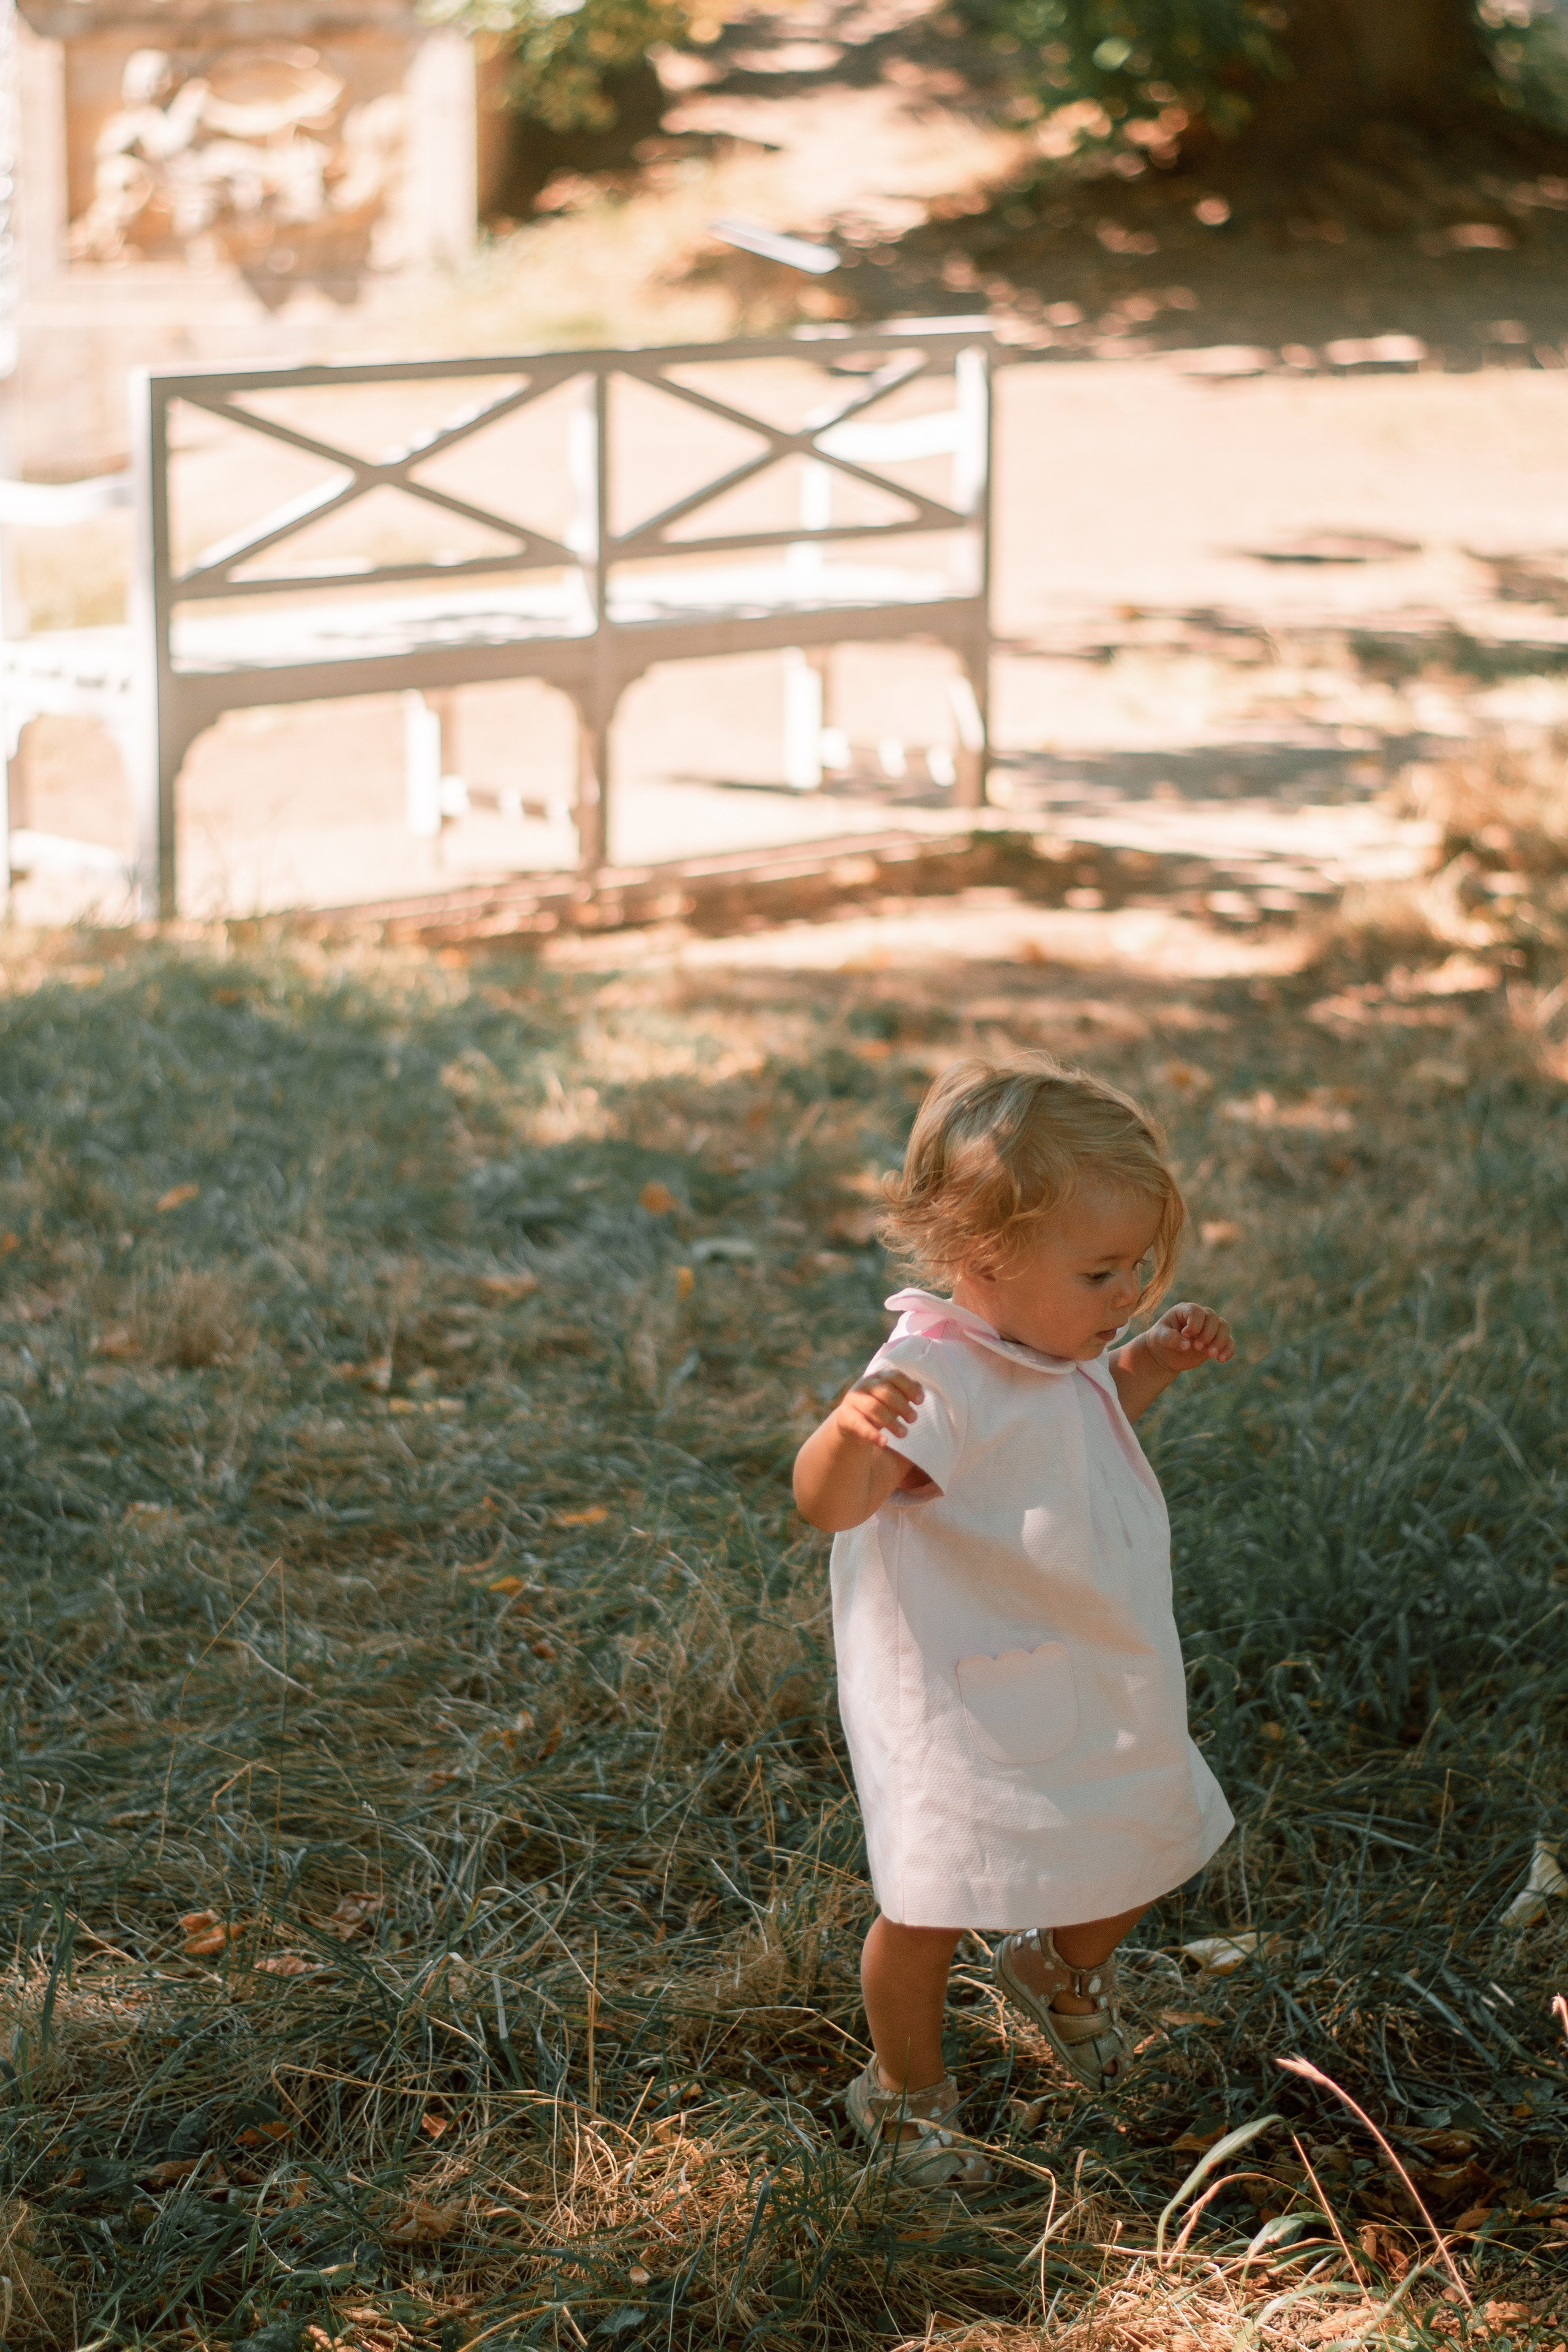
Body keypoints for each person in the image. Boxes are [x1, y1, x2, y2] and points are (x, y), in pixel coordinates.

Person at [793, 1054, 1235, 2190]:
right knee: (936, 1895)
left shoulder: (1060, 1344)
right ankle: (901, 2092)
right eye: (1103, 1273)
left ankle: (1056, 1971)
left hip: (1088, 1656)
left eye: (1139, 1267)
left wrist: (1147, 1363)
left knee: (1151, 1822)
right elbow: (828, 1506)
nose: (1127, 1290)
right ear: (986, 1261)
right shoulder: (936, 1375)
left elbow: (1084, 1417)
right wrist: (847, 1434)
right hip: (962, 1690)